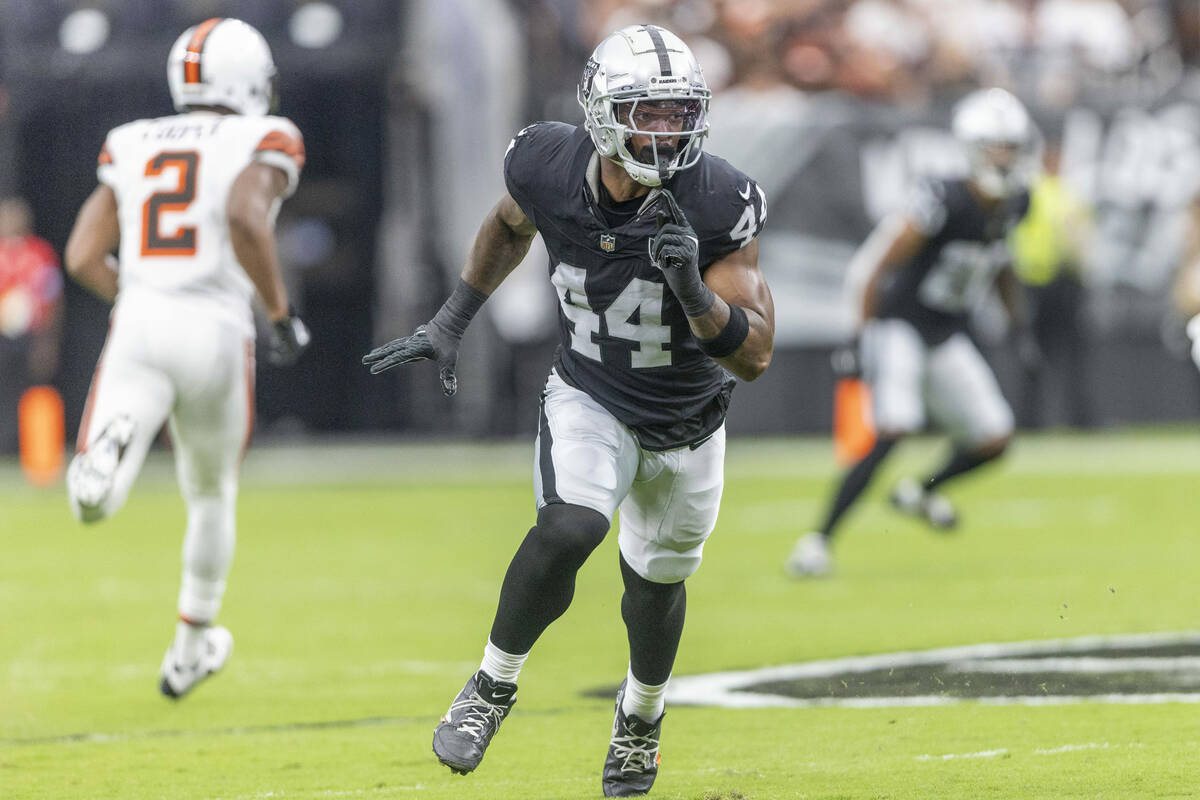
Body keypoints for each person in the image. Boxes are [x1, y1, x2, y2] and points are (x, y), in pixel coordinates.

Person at [364, 24, 772, 797]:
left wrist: (691, 288)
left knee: (655, 584)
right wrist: (453, 318)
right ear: (601, 113)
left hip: (691, 419)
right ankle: (489, 688)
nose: (666, 129)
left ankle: (640, 719)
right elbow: (507, 225)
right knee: (572, 524)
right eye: (646, 113)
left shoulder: (718, 198)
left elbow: (753, 357)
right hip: (591, 392)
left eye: (676, 112)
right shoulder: (546, 163)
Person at [63, 17, 310, 699]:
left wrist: (141, 297)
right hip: (216, 329)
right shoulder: (265, 136)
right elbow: (243, 214)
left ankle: (111, 447)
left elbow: (83, 255)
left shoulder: (133, 140)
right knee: (210, 494)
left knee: (94, 502)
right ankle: (191, 643)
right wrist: (282, 315)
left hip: (140, 322)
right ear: (248, 79)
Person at [786, 87, 1037, 578]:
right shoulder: (941, 197)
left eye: (1011, 146)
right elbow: (871, 265)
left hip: (945, 332)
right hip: (898, 323)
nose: (1005, 157)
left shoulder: (1016, 200)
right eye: (995, 146)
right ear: (971, 147)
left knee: (994, 436)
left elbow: (1003, 263)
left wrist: (1019, 327)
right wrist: (856, 334)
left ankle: (920, 491)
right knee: (895, 425)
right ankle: (817, 542)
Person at [0, 197, 62, 454]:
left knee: (29, 393)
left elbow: (52, 297)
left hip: (30, 335)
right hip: (3, 335)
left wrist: (48, 342)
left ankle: (29, 450)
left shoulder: (40, 252)